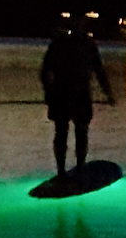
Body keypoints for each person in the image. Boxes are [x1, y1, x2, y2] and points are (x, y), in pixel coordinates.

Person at [40, 23, 115, 176]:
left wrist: (48, 94)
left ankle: (64, 169)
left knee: (64, 132)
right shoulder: (87, 45)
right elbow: (99, 72)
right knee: (77, 132)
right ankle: (76, 168)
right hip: (77, 95)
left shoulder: (60, 44)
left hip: (62, 95)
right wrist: (108, 94)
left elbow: (44, 72)